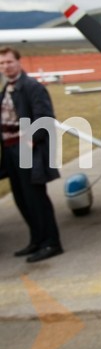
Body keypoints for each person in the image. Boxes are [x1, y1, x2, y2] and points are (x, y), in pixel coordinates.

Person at [0, 46, 63, 262]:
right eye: (1, 63)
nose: (5, 66)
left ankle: (51, 243)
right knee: (21, 198)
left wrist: (29, 141)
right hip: (10, 150)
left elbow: (44, 118)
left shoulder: (32, 87)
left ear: (18, 62)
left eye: (9, 62)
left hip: (26, 149)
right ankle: (36, 239)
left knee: (36, 198)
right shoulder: (6, 88)